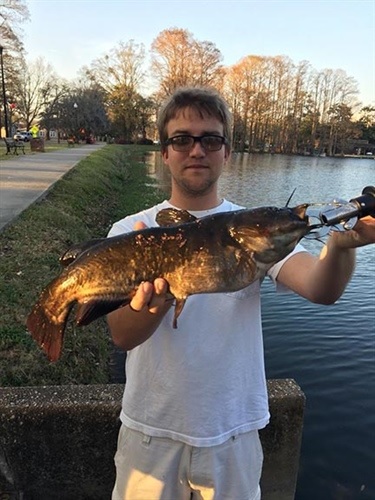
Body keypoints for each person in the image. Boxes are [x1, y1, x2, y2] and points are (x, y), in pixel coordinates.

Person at [107, 86, 375, 500]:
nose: (196, 150)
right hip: (149, 434)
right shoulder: (130, 232)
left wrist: (340, 246)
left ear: (227, 152)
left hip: (233, 433)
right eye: (182, 139)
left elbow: (321, 289)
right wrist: (156, 305)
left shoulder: (256, 228)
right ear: (165, 152)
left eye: (210, 139)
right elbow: (123, 336)